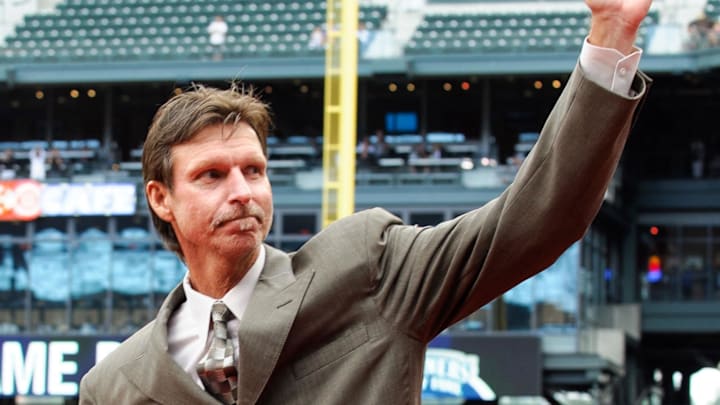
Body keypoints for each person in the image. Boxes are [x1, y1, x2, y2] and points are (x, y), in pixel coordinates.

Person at [79, 1, 653, 403]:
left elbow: (537, 221)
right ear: (161, 199)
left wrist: (609, 40)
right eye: (211, 175)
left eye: (254, 170)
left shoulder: (367, 268)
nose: (243, 191)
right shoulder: (114, 386)